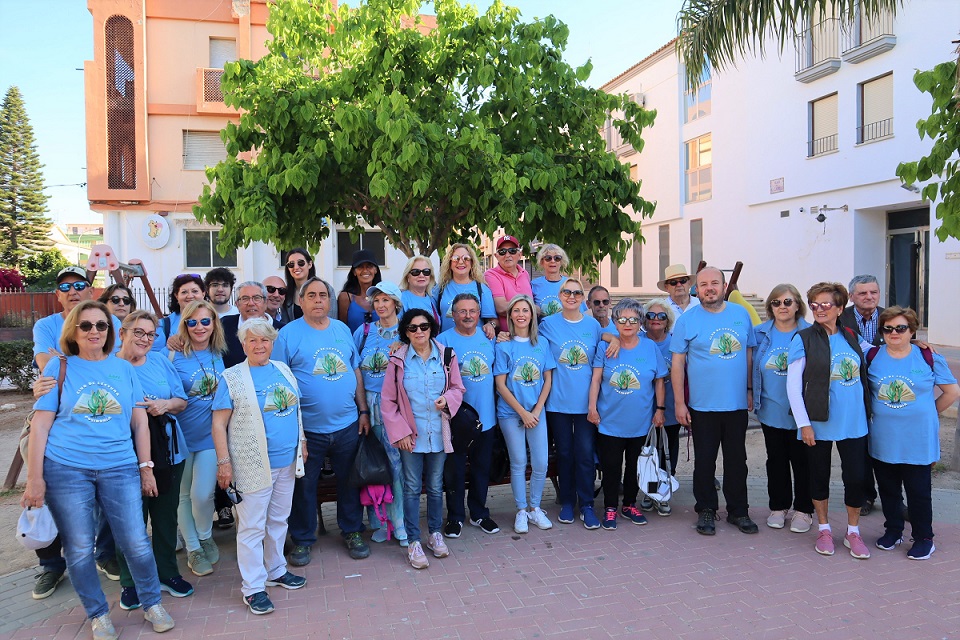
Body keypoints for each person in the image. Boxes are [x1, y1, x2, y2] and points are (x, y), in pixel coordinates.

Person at [21, 300, 175, 638]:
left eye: (101, 325)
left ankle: (151, 602)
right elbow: (41, 427)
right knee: (78, 547)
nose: (94, 331)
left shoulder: (123, 370)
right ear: (73, 331)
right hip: (66, 469)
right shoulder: (59, 368)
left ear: (110, 332)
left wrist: (145, 467)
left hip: (119, 466)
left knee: (135, 540)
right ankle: (97, 613)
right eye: (86, 325)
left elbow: (139, 422)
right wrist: (34, 479)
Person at [30, 266, 120, 598]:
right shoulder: (46, 325)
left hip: (103, 413)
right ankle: (51, 564)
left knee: (116, 479)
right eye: (65, 286)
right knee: (45, 482)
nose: (72, 290)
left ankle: (106, 553)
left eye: (79, 284)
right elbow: (46, 364)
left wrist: (66, 359)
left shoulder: (114, 322)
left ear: (90, 290)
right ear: (57, 295)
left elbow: (114, 359)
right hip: (57, 414)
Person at [212, 318, 308, 614]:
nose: (258, 345)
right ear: (243, 345)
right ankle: (253, 587)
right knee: (252, 526)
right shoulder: (233, 377)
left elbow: (295, 410)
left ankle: (276, 570)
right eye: (252, 340)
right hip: (252, 464)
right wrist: (224, 463)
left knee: (279, 519)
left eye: (264, 340)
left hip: (287, 461)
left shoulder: (282, 370)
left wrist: (301, 441)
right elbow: (218, 423)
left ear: (272, 343)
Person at [274, 277, 372, 567]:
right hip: (308, 431)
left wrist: (364, 411)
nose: (318, 300)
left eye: (323, 295)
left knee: (349, 482)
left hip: (347, 425)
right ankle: (303, 539)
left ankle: (352, 531)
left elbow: (355, 372)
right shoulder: (288, 335)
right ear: (300, 301)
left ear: (330, 302)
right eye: (312, 295)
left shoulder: (342, 330)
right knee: (305, 486)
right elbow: (280, 381)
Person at [114, 311, 195, 608]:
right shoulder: (109, 365)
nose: (145, 339)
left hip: (169, 451)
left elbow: (181, 401)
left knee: (165, 516)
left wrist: (165, 404)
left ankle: (167, 573)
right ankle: (129, 581)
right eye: (138, 332)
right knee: (130, 522)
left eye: (150, 334)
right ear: (122, 333)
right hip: (123, 455)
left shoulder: (160, 360)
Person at [786, 282, 872, 559]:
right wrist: (804, 424)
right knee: (819, 476)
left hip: (854, 421)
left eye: (825, 304)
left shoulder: (850, 335)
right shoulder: (803, 338)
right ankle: (823, 529)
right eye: (814, 304)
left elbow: (876, 352)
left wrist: (915, 342)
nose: (819, 309)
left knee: (856, 478)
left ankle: (853, 532)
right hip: (818, 422)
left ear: (839, 308)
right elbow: (793, 387)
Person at [866, 307, 959, 560]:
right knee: (888, 490)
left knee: (918, 492)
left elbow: (952, 392)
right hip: (884, 439)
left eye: (901, 328)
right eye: (888, 328)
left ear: (912, 330)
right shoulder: (872, 355)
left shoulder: (927, 356)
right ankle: (894, 530)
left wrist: (929, 412)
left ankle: (923, 538)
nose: (894, 333)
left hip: (918, 440)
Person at [671, 266, 758, 536]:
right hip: (702, 406)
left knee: (736, 460)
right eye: (704, 284)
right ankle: (706, 509)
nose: (709, 288)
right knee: (705, 461)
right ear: (697, 288)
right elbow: (677, 363)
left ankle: (738, 511)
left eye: (715, 283)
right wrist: (679, 403)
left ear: (723, 286)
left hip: (735, 405)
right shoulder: (687, 319)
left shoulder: (741, 314)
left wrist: (749, 390)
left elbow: (748, 355)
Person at [382, 309, 465, 569]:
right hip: (411, 435)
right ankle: (413, 540)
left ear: (432, 328)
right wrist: (401, 433)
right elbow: (388, 401)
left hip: (438, 433)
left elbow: (457, 388)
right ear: (406, 332)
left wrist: (448, 400)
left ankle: (434, 534)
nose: (419, 332)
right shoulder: (398, 360)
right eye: (413, 328)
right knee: (410, 487)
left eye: (424, 326)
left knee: (436, 485)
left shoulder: (446, 355)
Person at [539, 276, 617, 529]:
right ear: (560, 296)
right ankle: (566, 501)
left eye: (576, 293)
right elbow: (528, 340)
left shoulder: (592, 325)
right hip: (558, 403)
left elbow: (603, 336)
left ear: (583, 298)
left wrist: (612, 338)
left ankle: (586, 504)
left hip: (586, 404)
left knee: (584, 454)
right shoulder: (547, 324)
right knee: (564, 453)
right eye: (566, 292)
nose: (571, 296)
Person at [588, 298, 667, 530]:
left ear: (640, 322)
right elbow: (595, 379)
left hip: (641, 422)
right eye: (622, 319)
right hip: (610, 422)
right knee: (611, 467)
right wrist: (592, 408)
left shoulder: (650, 347)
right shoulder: (606, 347)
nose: (628, 324)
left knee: (634, 466)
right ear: (615, 322)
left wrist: (660, 410)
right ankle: (610, 507)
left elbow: (659, 381)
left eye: (633, 319)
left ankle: (630, 504)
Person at [169, 299, 227, 576]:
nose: (199, 327)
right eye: (192, 322)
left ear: (214, 323)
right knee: (182, 495)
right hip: (180, 437)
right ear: (185, 325)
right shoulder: (173, 354)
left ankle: (205, 535)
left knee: (202, 494)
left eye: (205, 321)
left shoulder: (218, 353)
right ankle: (193, 549)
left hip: (209, 437)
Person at [437, 293, 499, 537]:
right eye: (462, 311)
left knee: (481, 468)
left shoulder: (489, 338)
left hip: (486, 417)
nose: (468, 316)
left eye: (473, 311)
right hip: (456, 420)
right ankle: (454, 517)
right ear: (452, 314)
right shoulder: (442, 341)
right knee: (454, 472)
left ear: (479, 313)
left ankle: (479, 513)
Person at [752, 284, 813, 533]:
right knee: (775, 460)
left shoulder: (811, 333)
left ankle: (804, 509)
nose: (782, 307)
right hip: (771, 408)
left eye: (787, 302)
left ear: (798, 304)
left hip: (802, 413)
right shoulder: (759, 333)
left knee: (803, 462)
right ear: (770, 307)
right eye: (776, 303)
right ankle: (778, 506)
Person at [494, 295, 556, 534]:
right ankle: (521, 510)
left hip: (536, 412)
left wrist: (537, 410)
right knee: (518, 462)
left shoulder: (541, 343)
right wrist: (522, 412)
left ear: (532, 315)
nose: (521, 314)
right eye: (516, 311)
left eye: (525, 310)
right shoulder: (504, 346)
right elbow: (500, 384)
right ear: (510, 316)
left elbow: (548, 379)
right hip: (511, 413)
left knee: (540, 462)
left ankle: (535, 507)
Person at [354, 281, 408, 545]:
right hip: (368, 407)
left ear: (396, 303)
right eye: (376, 301)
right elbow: (356, 373)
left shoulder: (408, 332)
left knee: (396, 466)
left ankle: (399, 523)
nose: (380, 305)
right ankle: (377, 520)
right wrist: (362, 409)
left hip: (396, 408)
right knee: (372, 464)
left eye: (385, 300)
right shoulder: (363, 332)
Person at [840, 274, 885, 515]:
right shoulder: (840, 318)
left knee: (886, 443)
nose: (869, 297)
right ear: (851, 296)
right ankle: (865, 496)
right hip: (852, 388)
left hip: (884, 389)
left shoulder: (891, 317)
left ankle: (894, 498)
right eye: (863, 293)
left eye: (873, 292)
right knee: (860, 446)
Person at [641, 298, 678, 516]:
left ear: (667, 321)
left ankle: (663, 493)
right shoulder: (638, 341)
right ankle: (649, 490)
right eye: (651, 316)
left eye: (661, 316)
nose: (656, 320)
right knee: (647, 452)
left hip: (670, 406)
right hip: (645, 407)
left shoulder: (675, 343)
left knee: (667, 450)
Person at [434, 243, 497, 339]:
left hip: (474, 343)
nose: (461, 262)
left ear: (472, 262)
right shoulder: (440, 289)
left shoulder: (482, 289)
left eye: (466, 258)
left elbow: (493, 320)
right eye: (456, 258)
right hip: (446, 345)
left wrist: (491, 325)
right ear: (449, 263)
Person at [222, 281, 284, 368]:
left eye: (256, 298)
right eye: (245, 298)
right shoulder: (224, 325)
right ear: (237, 304)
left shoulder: (283, 330)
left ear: (265, 302)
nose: (251, 303)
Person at [485, 235, 533, 332]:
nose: (507, 255)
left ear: (519, 254)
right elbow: (502, 308)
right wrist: (534, 308)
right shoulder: (491, 275)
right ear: (496, 256)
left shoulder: (525, 274)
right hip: (506, 338)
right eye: (502, 252)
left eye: (512, 251)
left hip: (529, 336)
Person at [155, 273, 206, 352]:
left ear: (203, 294)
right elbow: (153, 357)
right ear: (176, 296)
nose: (190, 296)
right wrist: (167, 348)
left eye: (195, 291)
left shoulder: (215, 320)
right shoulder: (164, 326)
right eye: (184, 292)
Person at [530, 244, 585, 317]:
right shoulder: (533, 285)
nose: (552, 261)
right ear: (542, 262)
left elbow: (580, 313)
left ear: (561, 262)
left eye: (557, 258)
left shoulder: (570, 284)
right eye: (548, 258)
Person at [338, 250, 382, 332]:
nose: (365, 270)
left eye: (369, 266)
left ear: (375, 270)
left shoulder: (384, 296)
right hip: (353, 344)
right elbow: (342, 329)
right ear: (354, 272)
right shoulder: (346, 297)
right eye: (360, 267)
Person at [399, 255, 439, 322]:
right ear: (407, 277)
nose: (421, 275)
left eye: (426, 271)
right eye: (416, 272)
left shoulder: (433, 299)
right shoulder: (401, 300)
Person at [281, 248, 317, 323]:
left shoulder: (326, 290)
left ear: (310, 264)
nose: (296, 267)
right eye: (291, 264)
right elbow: (286, 325)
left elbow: (331, 320)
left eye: (301, 263)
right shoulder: (286, 294)